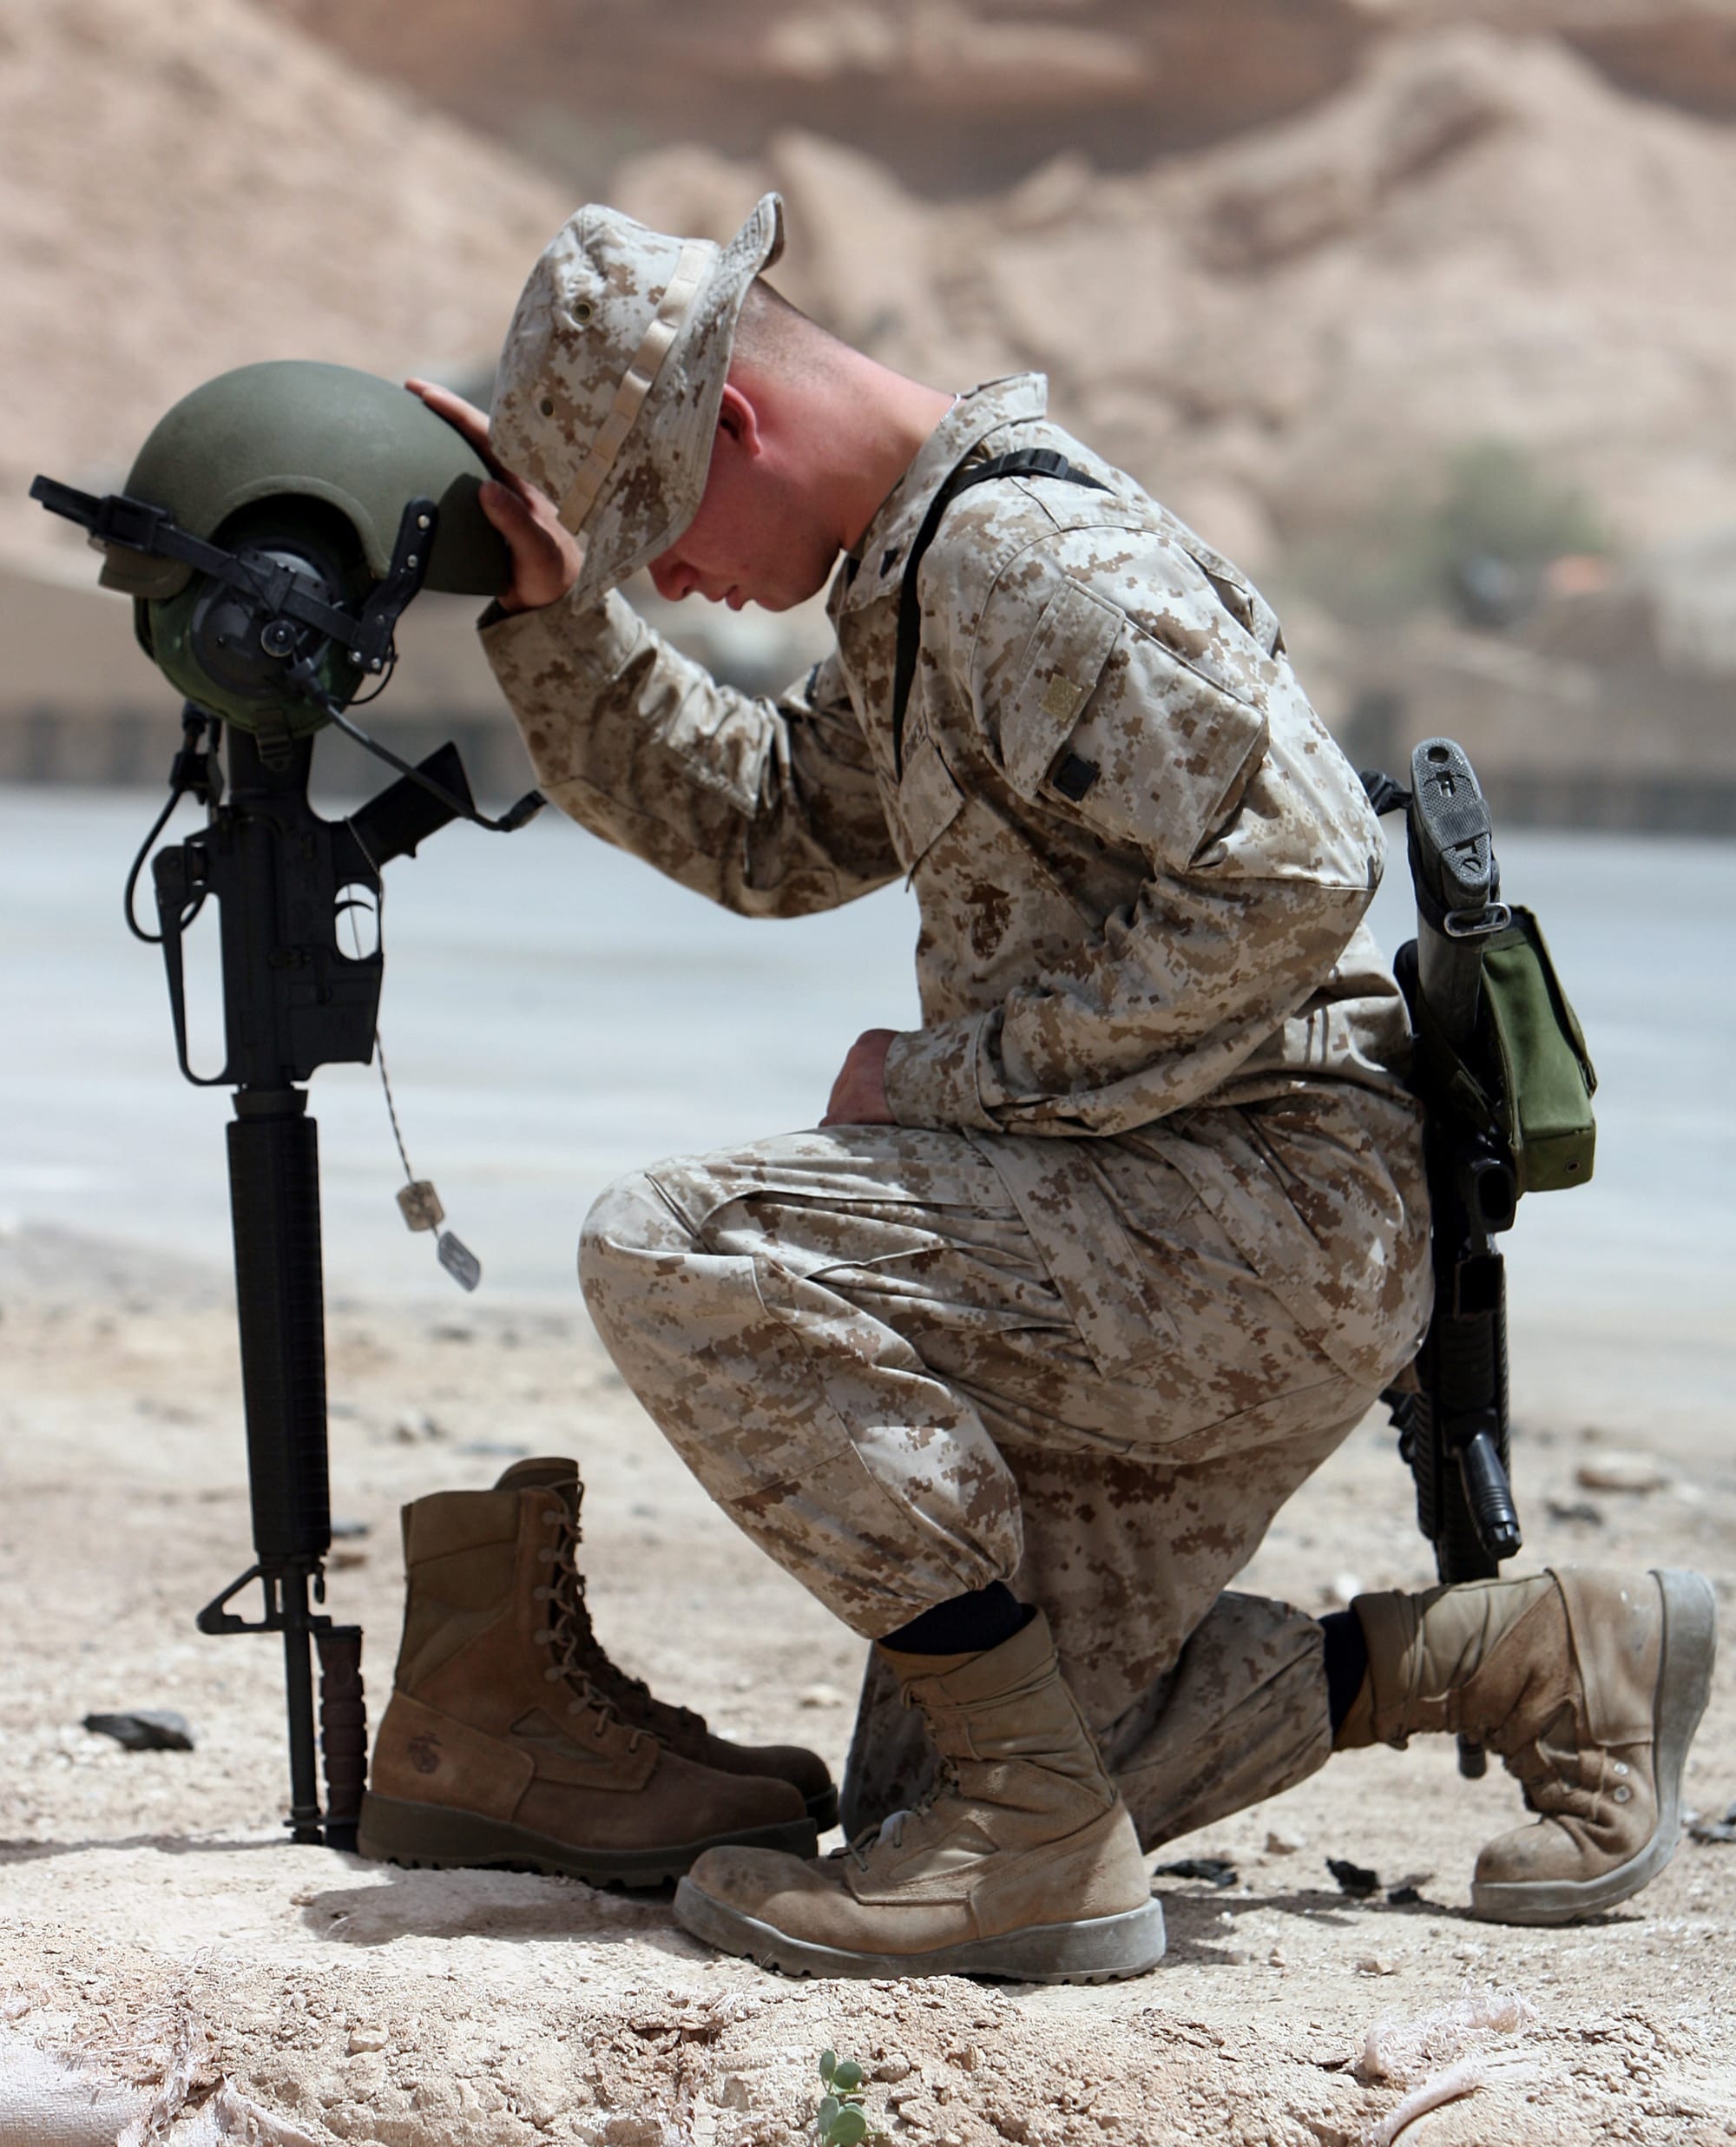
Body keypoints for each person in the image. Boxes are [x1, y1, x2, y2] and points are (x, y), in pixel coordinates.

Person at [375, 191, 1714, 1982]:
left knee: (679, 1244)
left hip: (1258, 1213)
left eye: (660, 533)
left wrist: (952, 1078)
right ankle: (1522, 1652)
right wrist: (557, 627)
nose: (673, 582)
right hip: (1182, 1210)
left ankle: (1035, 1845)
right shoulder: (912, 574)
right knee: (957, 1774)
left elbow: (1305, 867)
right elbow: (774, 830)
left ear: (742, 422)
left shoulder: (1021, 563)